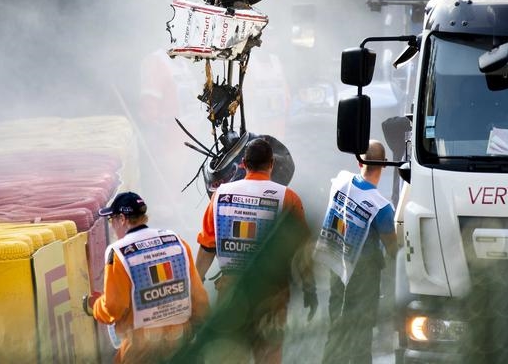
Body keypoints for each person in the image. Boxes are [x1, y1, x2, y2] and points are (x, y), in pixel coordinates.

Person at [195, 136, 317, 364]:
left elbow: (206, 248)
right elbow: (303, 252)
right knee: (268, 357)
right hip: (272, 298)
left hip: (231, 295)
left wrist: (195, 287)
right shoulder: (287, 197)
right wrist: (310, 289)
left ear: (243, 164)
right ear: (272, 164)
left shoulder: (219, 195)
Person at [82, 192, 209, 364]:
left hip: (142, 350)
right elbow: (199, 297)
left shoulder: (118, 252)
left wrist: (96, 306)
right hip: (181, 343)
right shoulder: (176, 241)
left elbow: (114, 307)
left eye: (112, 220)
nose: (112, 227)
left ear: (122, 219)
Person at [314, 140, 398, 364]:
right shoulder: (381, 207)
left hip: (336, 265)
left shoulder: (341, 181)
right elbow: (393, 249)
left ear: (359, 161)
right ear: (385, 164)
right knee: (362, 333)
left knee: (336, 326)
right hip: (364, 277)